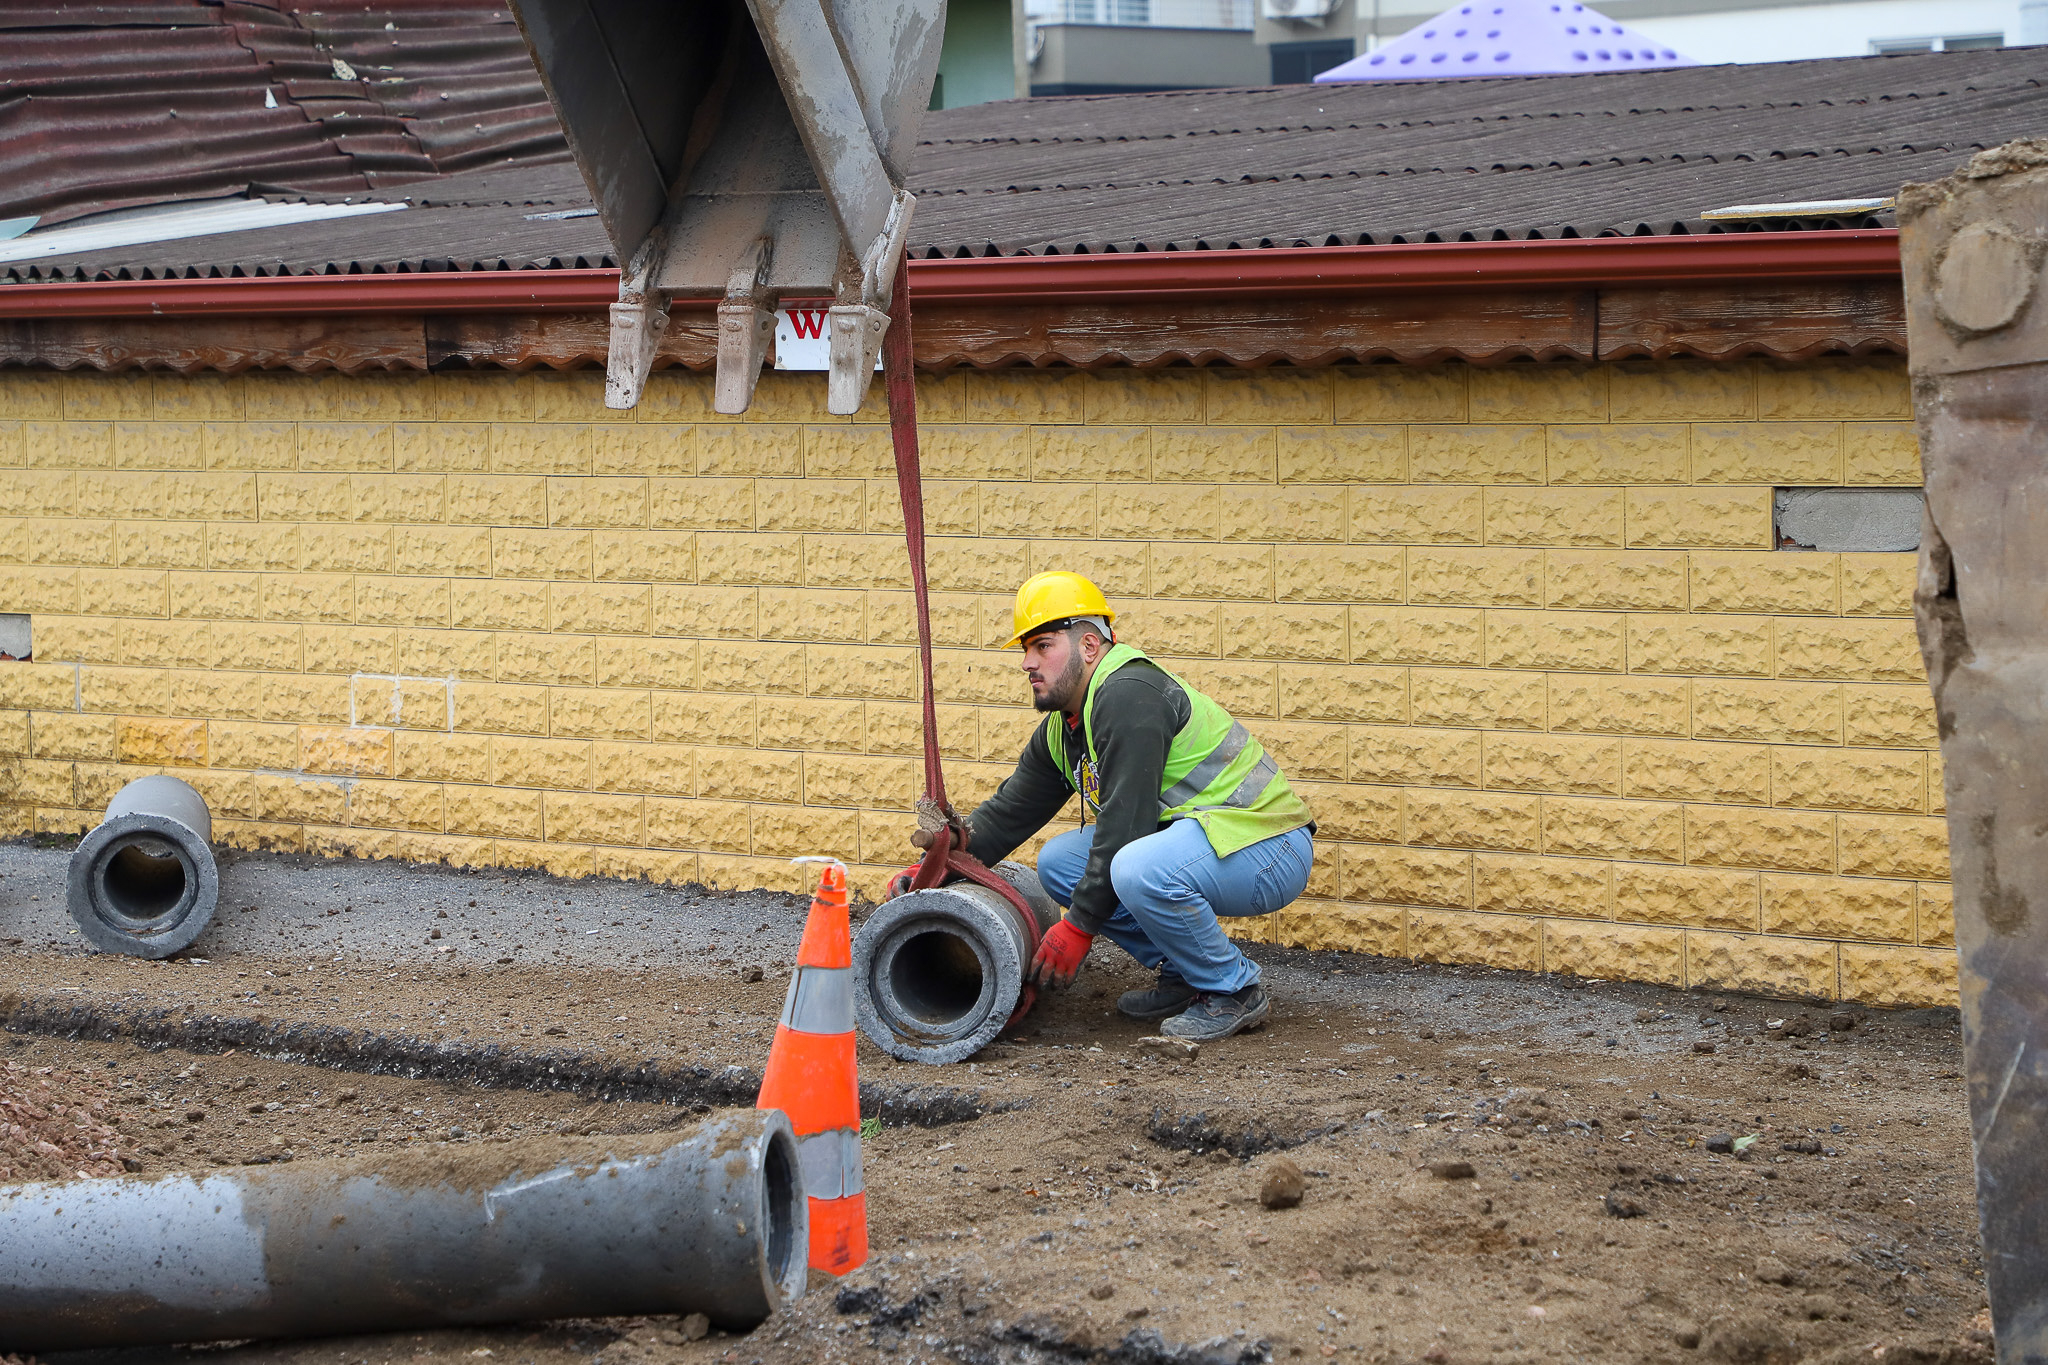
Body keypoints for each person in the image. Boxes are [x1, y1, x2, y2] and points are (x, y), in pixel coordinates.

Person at [893, 571, 1316, 1041]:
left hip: (1269, 848)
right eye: (1025, 649)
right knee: (1059, 862)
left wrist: (1078, 926)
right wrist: (935, 868)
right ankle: (1185, 973)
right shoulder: (1065, 727)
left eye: (1043, 645)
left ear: (1090, 646)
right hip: (1208, 844)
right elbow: (1007, 815)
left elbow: (1126, 828)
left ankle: (1234, 990)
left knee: (1133, 865)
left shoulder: (1129, 694)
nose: (1028, 663)